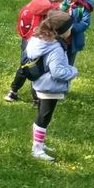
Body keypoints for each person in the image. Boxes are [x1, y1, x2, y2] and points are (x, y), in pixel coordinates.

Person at [5, 0, 73, 104]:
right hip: (43, 42)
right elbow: (58, 24)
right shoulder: (52, 9)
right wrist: (63, 9)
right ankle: (36, 98)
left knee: (25, 66)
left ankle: (13, 92)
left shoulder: (39, 0)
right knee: (39, 69)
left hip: (29, 39)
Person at [24, 10, 77, 162]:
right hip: (50, 87)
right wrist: (73, 71)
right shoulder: (55, 47)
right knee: (44, 118)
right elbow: (58, 72)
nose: (71, 30)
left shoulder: (40, 40)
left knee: (42, 116)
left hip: (41, 84)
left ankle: (39, 143)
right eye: (69, 28)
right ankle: (37, 149)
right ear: (61, 31)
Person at [63, 0, 94, 66]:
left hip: (72, 41)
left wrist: (71, 28)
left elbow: (85, 23)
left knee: (69, 64)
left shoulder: (82, 5)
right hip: (58, 39)